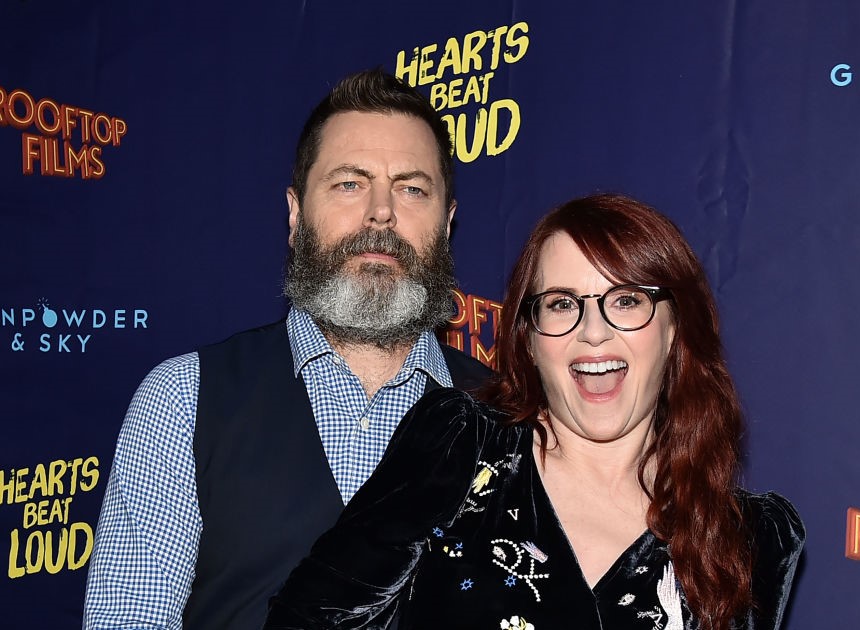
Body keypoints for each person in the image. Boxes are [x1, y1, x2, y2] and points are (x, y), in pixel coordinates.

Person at [265, 193, 805, 630]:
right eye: (563, 304)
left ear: (674, 330)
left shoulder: (748, 538)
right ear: (529, 339)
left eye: (625, 301)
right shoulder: (461, 445)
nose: (594, 334)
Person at [82, 69, 490, 630]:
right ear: (296, 215)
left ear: (446, 224)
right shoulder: (184, 400)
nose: (380, 211)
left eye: (411, 188)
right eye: (349, 183)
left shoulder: (506, 413)